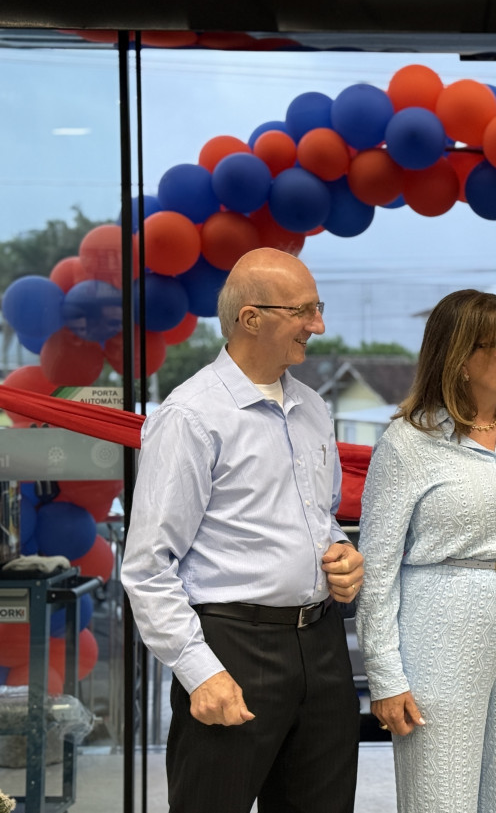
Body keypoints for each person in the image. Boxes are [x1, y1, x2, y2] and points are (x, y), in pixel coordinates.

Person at [120, 247, 364, 813]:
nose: (319, 325)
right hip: (232, 647)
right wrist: (199, 672)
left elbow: (319, 516)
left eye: (318, 307)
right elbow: (148, 567)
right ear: (251, 318)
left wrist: (344, 555)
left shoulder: (313, 408)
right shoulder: (190, 418)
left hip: (323, 646)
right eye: (303, 310)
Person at [356, 289, 496, 813]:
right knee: (441, 796)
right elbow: (379, 568)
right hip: (439, 628)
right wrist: (385, 676)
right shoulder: (406, 442)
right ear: (459, 357)